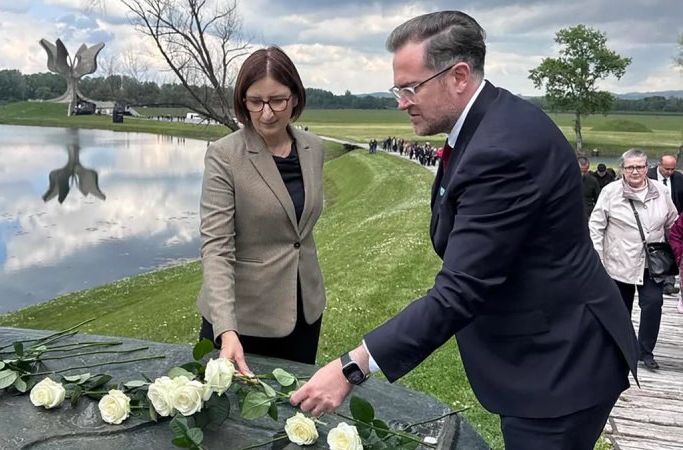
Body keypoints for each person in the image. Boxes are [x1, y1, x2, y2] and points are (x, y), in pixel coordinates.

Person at [290, 11, 637, 449]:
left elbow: (460, 291)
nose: (401, 102)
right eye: (396, 89)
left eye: (410, 88)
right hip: (551, 353)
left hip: (559, 367)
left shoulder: (501, 150)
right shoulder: (489, 122)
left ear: (457, 76)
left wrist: (351, 367)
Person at [196, 46, 326, 377]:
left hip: (303, 314)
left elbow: (298, 233)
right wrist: (226, 330)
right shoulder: (224, 155)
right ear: (243, 102)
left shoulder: (314, 149)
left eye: (277, 100)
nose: (266, 113)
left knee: (293, 415)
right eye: (256, 102)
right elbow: (216, 247)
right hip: (243, 324)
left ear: (295, 97)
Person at [590, 149, 677, 371]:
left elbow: (672, 223)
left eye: (639, 166)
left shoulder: (660, 191)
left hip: (652, 264)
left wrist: (676, 251)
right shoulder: (610, 192)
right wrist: (598, 259)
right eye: (630, 167)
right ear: (623, 169)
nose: (635, 171)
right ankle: (619, 350)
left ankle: (645, 351)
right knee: (620, 309)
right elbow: (596, 227)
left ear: (647, 167)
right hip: (619, 262)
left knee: (653, 304)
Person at [647, 154, 683, 295]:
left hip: (673, 219)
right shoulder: (648, 176)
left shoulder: (679, 179)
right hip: (652, 219)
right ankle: (655, 277)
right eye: (666, 168)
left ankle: (669, 281)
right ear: (659, 165)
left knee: (671, 248)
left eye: (672, 169)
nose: (669, 172)